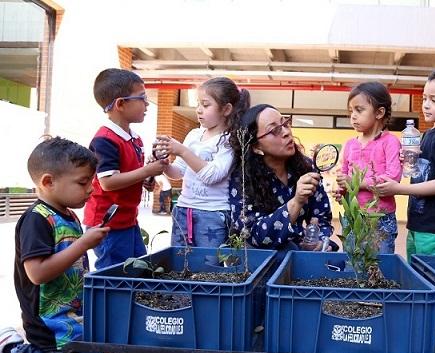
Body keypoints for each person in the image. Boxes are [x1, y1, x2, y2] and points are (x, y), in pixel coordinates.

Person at [13, 137, 110, 353]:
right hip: (50, 331)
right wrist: (83, 243)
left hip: (75, 320)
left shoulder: (68, 214)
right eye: (82, 182)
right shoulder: (36, 219)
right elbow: (37, 274)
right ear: (48, 182)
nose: (91, 190)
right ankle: (16, 352)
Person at [375, 67, 435, 258]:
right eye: (425, 98)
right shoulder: (427, 135)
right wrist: (409, 162)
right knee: (415, 272)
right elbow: (422, 171)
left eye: (434, 100)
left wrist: (398, 189)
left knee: (429, 277)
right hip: (417, 221)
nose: (426, 105)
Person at [228, 104, 338, 259]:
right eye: (274, 130)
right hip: (258, 259)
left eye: (285, 123)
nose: (286, 132)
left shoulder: (306, 167)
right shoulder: (243, 178)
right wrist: (296, 201)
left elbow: (321, 217)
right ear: (255, 146)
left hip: (297, 252)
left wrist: (320, 241)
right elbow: (253, 235)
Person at [83, 68, 167, 269]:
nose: (147, 103)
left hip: (128, 220)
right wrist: (147, 171)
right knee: (115, 275)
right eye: (142, 98)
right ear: (120, 103)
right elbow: (108, 182)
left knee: (138, 268)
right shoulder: (105, 140)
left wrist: (148, 179)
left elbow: (132, 176)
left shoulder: (135, 139)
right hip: (107, 225)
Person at [154, 77, 250, 247]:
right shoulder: (193, 135)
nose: (199, 110)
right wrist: (164, 165)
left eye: (205, 105)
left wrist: (183, 150)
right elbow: (179, 173)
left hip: (213, 214)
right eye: (198, 104)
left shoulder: (229, 140)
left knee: (208, 268)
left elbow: (212, 176)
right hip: (183, 209)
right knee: (178, 262)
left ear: (226, 109)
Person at [334, 82, 401, 254]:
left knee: (380, 268)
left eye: (359, 110)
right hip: (353, 216)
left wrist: (356, 182)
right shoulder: (350, 144)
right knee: (353, 265)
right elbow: (344, 174)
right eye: (351, 111)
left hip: (381, 218)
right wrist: (341, 189)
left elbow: (392, 178)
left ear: (379, 112)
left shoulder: (391, 142)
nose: (353, 116)